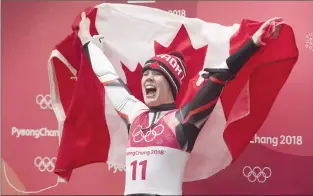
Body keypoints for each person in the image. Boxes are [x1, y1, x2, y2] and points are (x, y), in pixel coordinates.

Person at [78, 12, 282, 196]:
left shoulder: (183, 120)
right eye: (145, 73)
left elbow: (219, 77)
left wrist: (253, 43)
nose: (147, 78)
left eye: (155, 74)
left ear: (170, 83)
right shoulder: (134, 113)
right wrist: (87, 41)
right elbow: (107, 76)